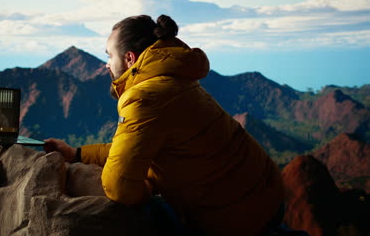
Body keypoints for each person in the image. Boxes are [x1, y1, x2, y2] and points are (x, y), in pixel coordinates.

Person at [44, 15, 285, 236]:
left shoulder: (144, 97)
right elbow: (132, 148)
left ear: (129, 58)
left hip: (237, 217)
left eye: (109, 55)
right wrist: (76, 154)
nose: (105, 65)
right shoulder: (173, 79)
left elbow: (119, 188)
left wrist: (146, 190)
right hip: (263, 192)